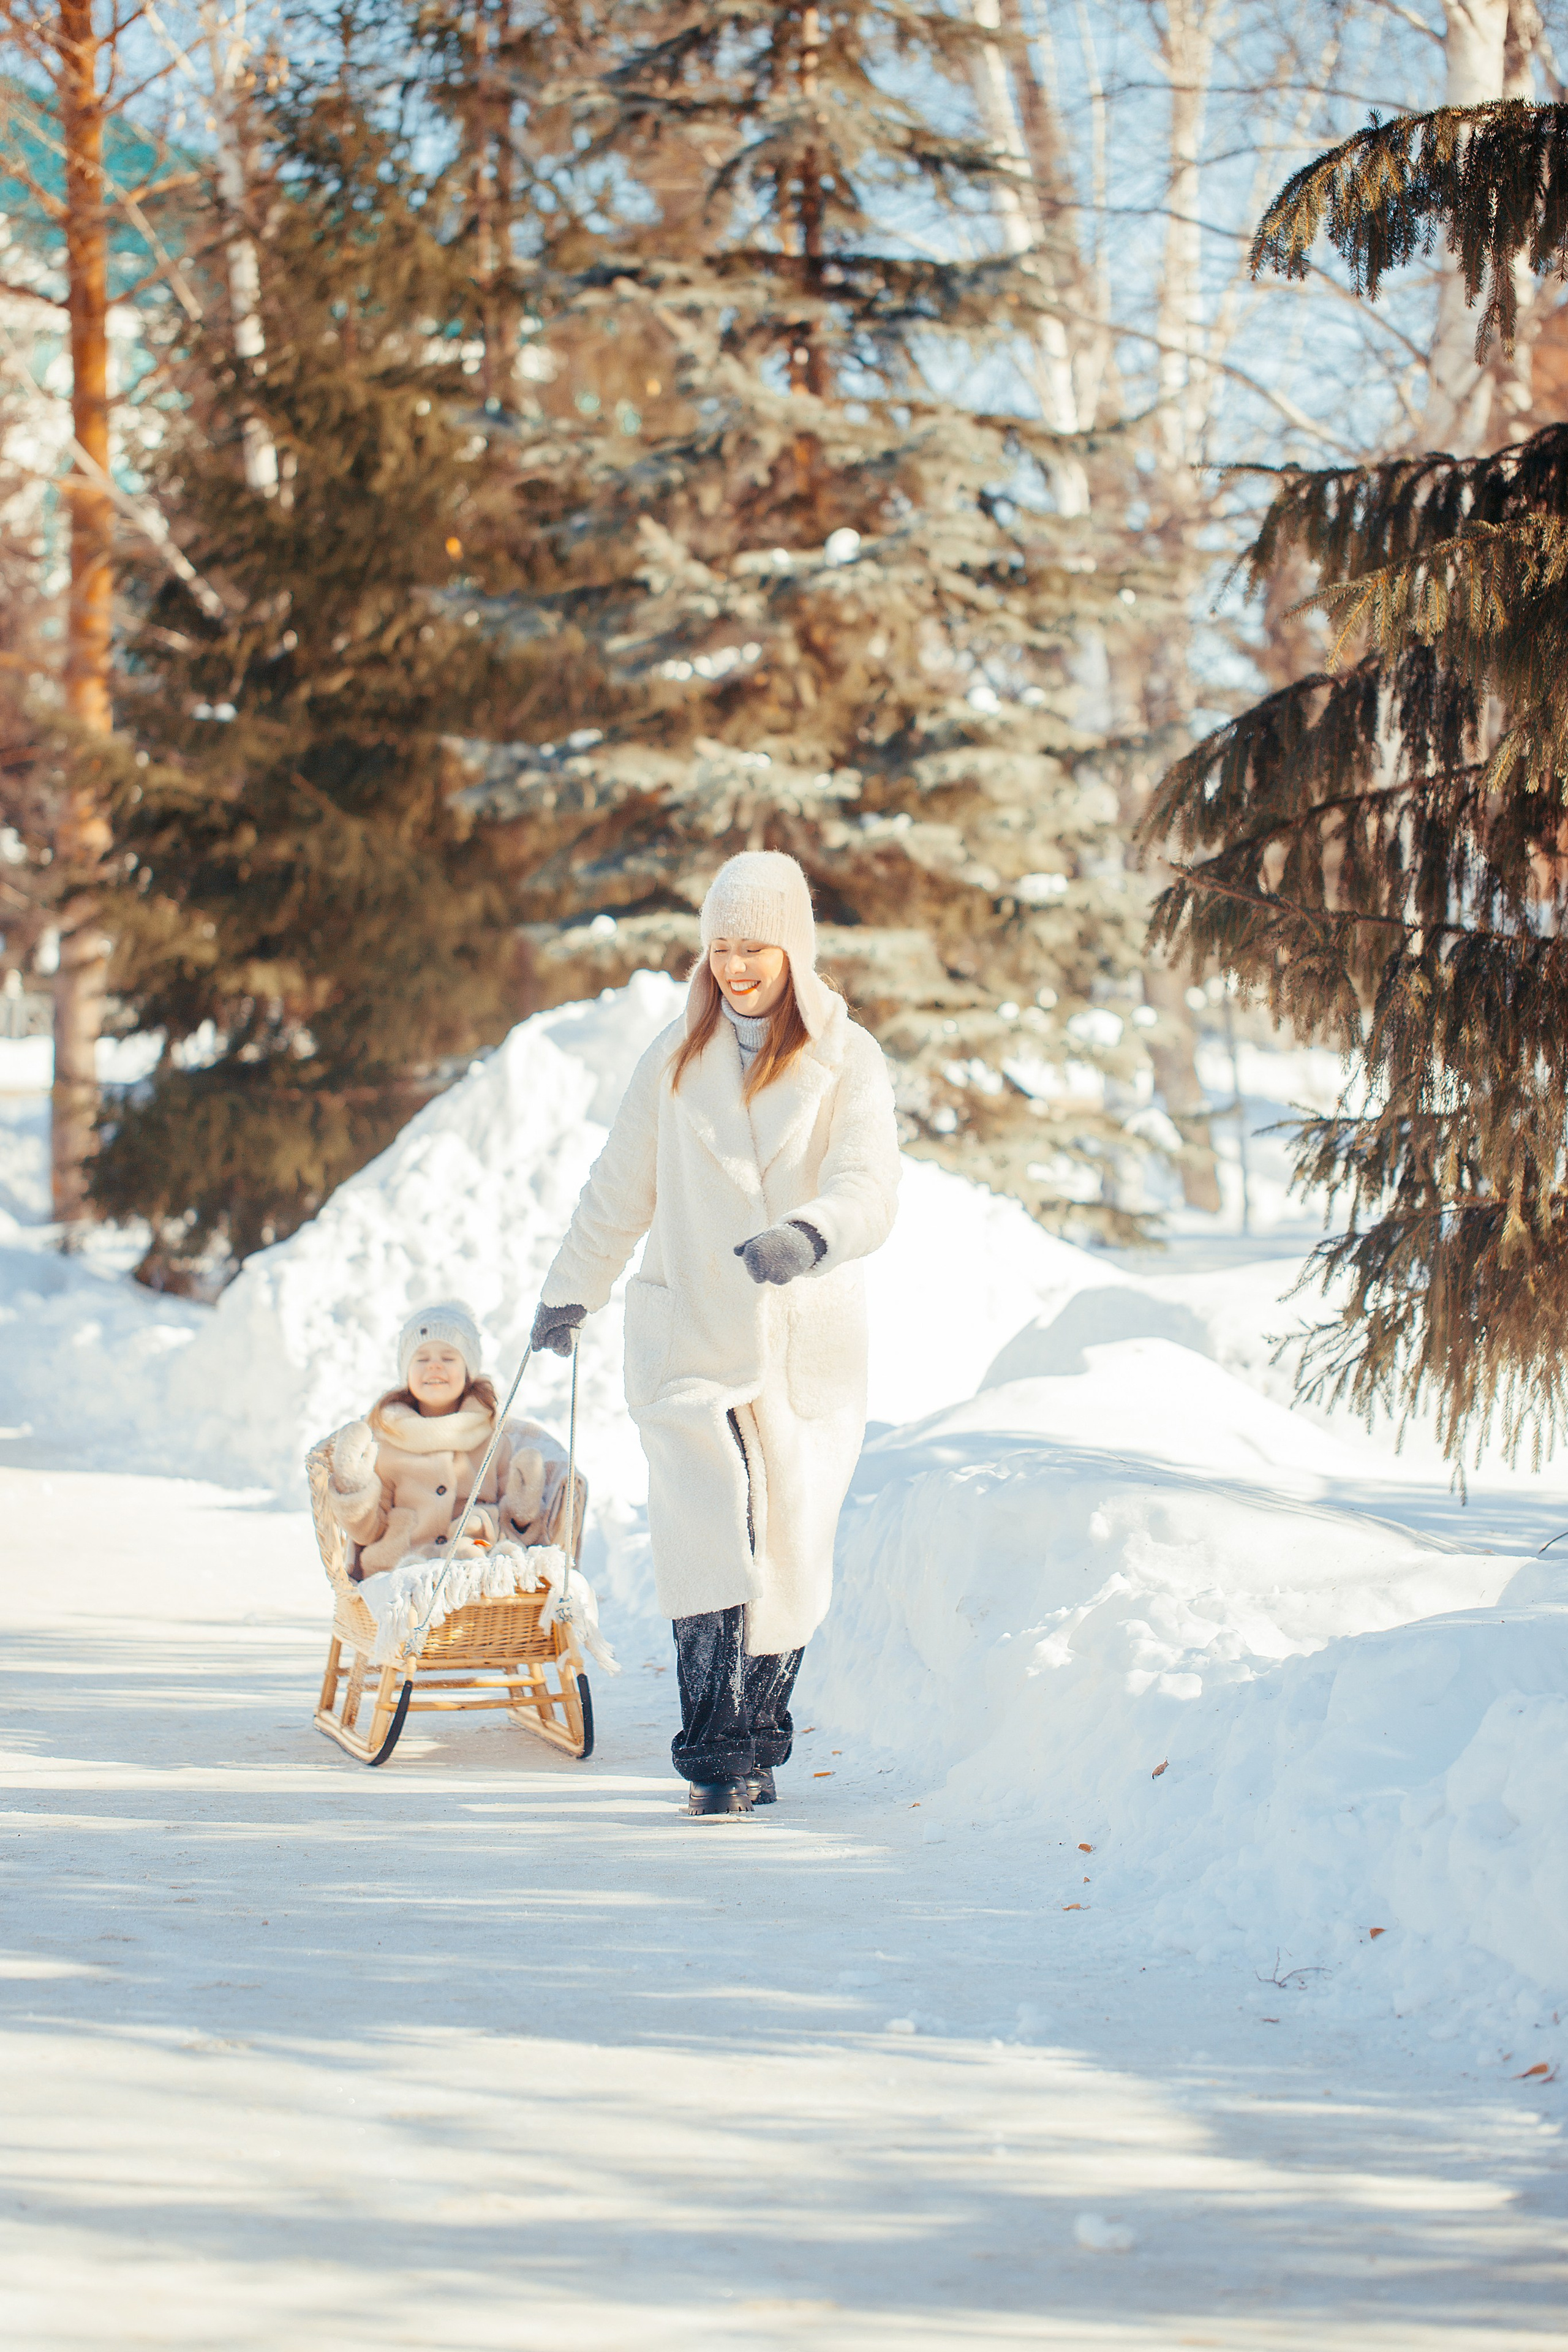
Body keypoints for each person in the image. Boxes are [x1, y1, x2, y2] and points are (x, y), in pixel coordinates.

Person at [530, 850, 901, 1815]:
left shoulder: (847, 1058)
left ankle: (762, 1735)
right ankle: (714, 1754)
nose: (737, 966)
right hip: (689, 1328)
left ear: (794, 948)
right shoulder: (676, 1056)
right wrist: (573, 1289)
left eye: (756, 947)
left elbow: (870, 1186)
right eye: (722, 947)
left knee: (790, 1545)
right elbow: (620, 1188)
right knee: (711, 1525)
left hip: (802, 1336)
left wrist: (810, 1235)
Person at [325, 1300, 584, 1578]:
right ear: (406, 1372)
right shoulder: (388, 1442)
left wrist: (523, 1506)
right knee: (409, 1581)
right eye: (422, 1359)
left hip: (478, 1562)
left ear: (468, 1370)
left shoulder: (494, 1438)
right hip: (400, 1567)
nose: (434, 1367)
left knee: (491, 1560)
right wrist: (355, 1492)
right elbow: (369, 1532)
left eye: (448, 1359)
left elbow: (514, 1529)